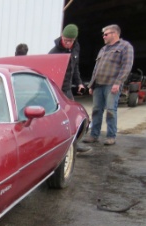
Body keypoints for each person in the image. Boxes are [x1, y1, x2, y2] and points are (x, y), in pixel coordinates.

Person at [83, 24, 134, 146]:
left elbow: (126, 66)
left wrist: (118, 82)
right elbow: (96, 68)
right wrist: (91, 84)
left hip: (111, 85)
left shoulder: (125, 47)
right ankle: (94, 135)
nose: (103, 36)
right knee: (96, 110)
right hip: (98, 85)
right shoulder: (103, 49)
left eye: (106, 34)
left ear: (115, 34)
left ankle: (111, 136)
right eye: (103, 34)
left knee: (111, 110)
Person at [48, 24, 91, 155]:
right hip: (56, 89)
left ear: (74, 40)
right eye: (65, 40)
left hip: (67, 88)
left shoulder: (75, 48)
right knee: (55, 118)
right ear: (62, 37)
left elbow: (75, 67)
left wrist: (79, 83)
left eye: (70, 41)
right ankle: (54, 146)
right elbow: (48, 73)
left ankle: (74, 145)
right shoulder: (54, 52)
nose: (67, 43)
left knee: (72, 117)